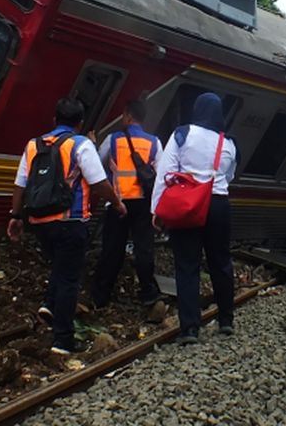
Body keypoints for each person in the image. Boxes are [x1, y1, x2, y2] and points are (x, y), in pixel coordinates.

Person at [7, 98, 125, 355]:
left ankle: (49, 304)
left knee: (60, 267)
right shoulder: (81, 145)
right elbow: (99, 184)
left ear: (54, 120)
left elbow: (20, 183)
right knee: (70, 278)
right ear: (79, 123)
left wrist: (15, 216)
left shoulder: (33, 145)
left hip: (39, 222)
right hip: (70, 221)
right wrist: (117, 204)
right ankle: (63, 340)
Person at [151, 91, 237, 344]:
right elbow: (230, 176)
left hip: (189, 204)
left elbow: (165, 172)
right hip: (219, 204)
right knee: (221, 263)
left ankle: (190, 328)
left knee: (187, 266)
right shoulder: (229, 143)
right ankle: (226, 320)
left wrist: (156, 210)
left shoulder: (182, 134)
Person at [91, 97, 164, 315]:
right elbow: (159, 175)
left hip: (118, 202)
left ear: (129, 116)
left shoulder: (114, 140)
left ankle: (101, 295)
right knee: (144, 249)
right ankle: (148, 293)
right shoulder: (154, 142)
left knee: (112, 249)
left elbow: (94, 165)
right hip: (143, 204)